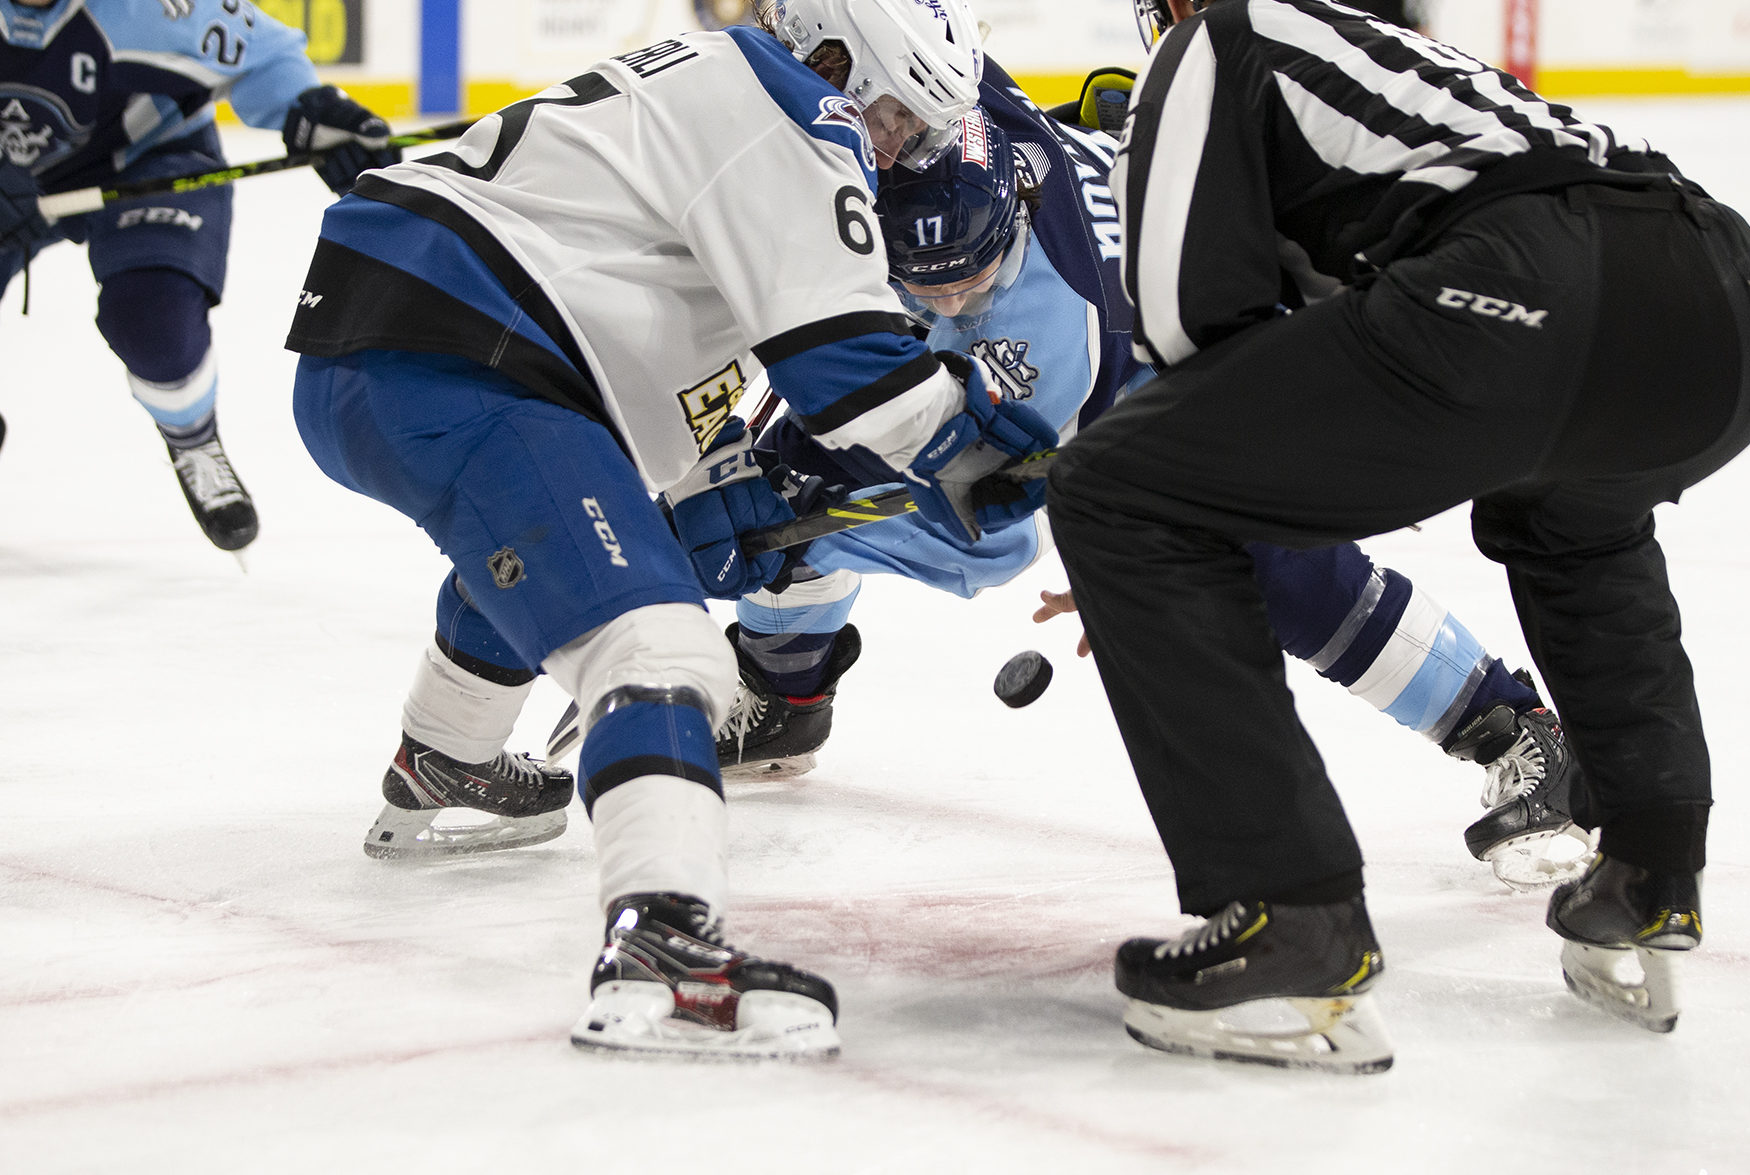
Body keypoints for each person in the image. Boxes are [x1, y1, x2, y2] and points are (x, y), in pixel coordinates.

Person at [287, 0, 1055, 1059]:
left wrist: (711, 507)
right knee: (656, 643)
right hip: (461, 354)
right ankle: (661, 950)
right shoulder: (801, 108)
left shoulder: (710, 81)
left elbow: (651, 396)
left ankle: (444, 760)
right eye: (899, 117)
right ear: (833, 56)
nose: (901, 150)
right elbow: (855, 380)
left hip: (422, 338)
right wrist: (979, 446)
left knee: (565, 541)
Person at [1044, 0, 1750, 1067]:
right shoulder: (1410, 67)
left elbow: (1183, 323)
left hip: (1533, 284)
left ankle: (1290, 917)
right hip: (1735, 302)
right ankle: (1647, 865)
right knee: (1572, 522)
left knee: (1110, 490)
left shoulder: (1216, 33)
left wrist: (1176, 513)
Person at [729, 70, 1585, 888]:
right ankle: (785, 688)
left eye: (971, 279)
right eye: (927, 282)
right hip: (1178, 298)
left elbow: (993, 506)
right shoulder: (970, 106)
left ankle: (1510, 727)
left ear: (1012, 220)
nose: (950, 302)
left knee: (1271, 567)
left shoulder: (1049, 331)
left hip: (1209, 363)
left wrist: (1123, 568)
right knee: (808, 465)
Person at [1, 0, 399, 551]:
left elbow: (262, 55)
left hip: (150, 157)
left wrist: (313, 111)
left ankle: (191, 437)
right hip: (10, 175)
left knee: (153, 321)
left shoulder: (148, 8)